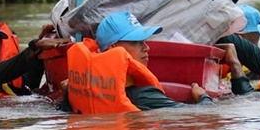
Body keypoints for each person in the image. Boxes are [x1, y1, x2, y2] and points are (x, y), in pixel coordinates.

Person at [60, 11, 214, 114]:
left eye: (144, 41)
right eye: (136, 42)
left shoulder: (77, 92)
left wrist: (67, 93)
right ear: (113, 48)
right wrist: (202, 97)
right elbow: (204, 116)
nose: (146, 48)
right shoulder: (144, 96)